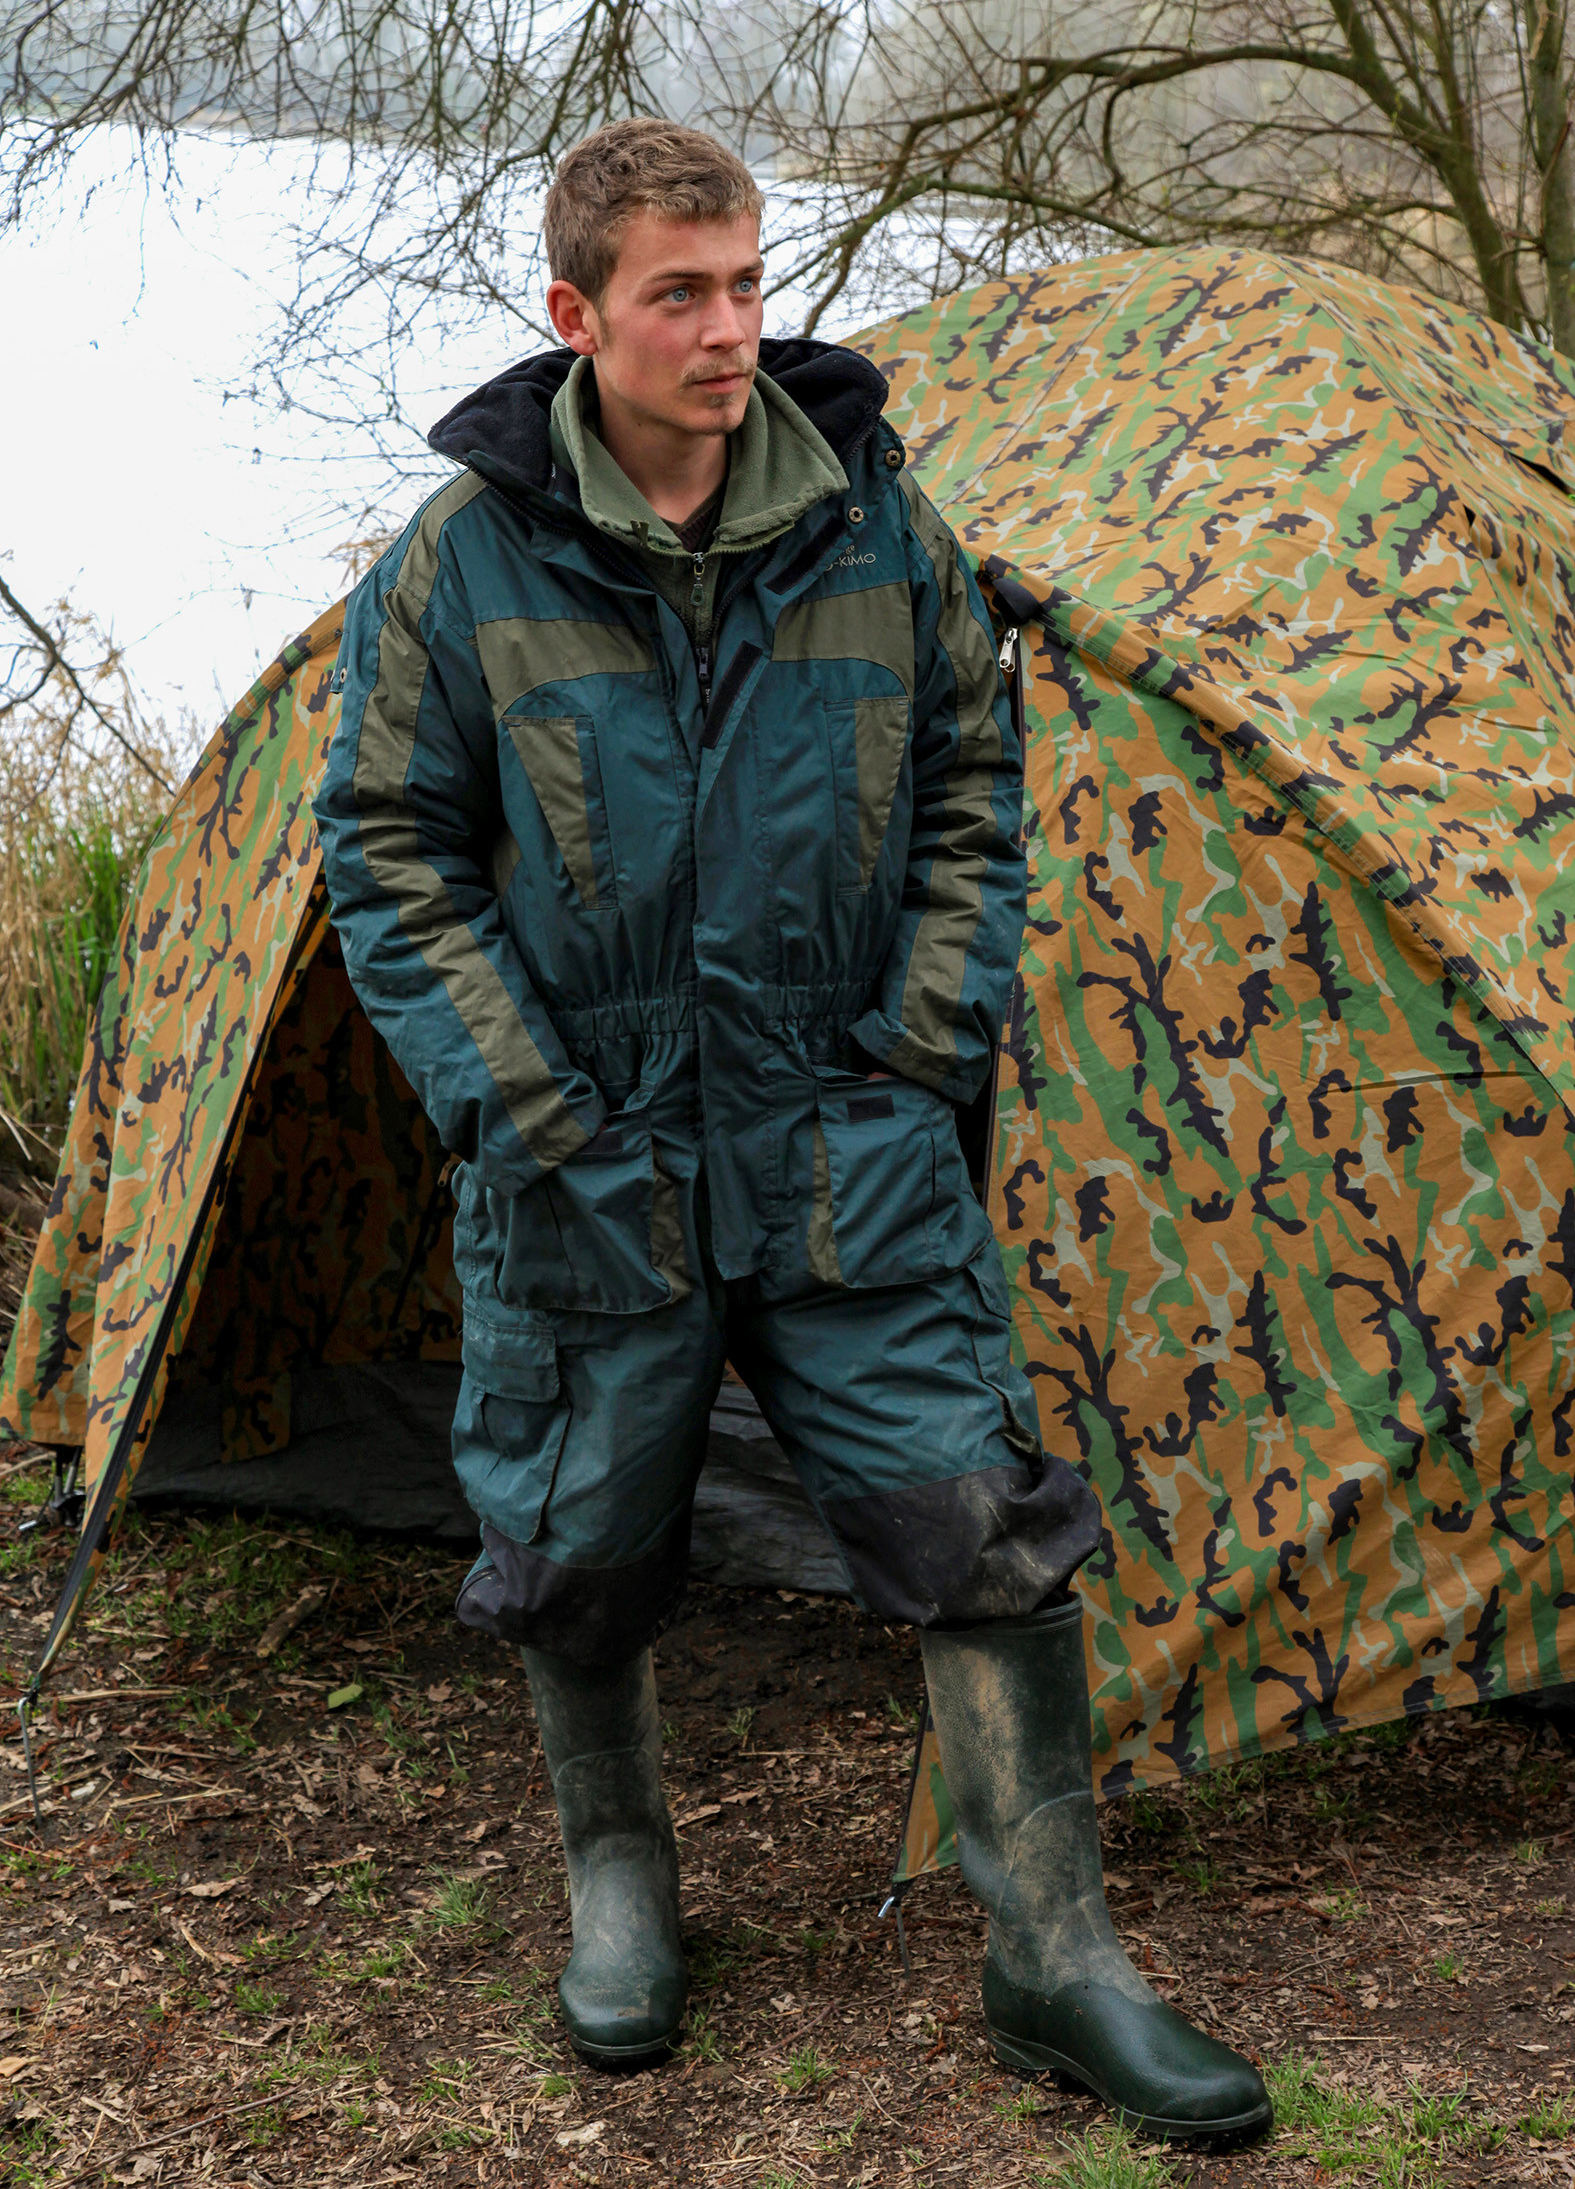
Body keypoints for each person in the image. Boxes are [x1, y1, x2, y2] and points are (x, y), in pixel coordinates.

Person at [314, 118, 1270, 2148]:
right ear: (576, 314)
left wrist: (923, 1045)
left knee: (978, 1529)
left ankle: (1054, 1947)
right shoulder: (461, 566)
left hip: (847, 1142)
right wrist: (523, 1102)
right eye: (683, 291)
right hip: (591, 1156)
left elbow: (966, 777)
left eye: (749, 280)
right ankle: (622, 1878)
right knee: (579, 1549)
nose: (733, 327)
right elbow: (386, 850)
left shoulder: (871, 523)